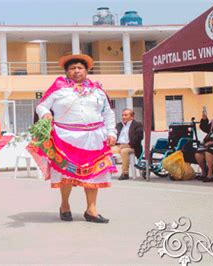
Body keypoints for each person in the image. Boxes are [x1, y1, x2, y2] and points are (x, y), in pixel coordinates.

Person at [27, 54, 117, 223]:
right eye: (72, 68)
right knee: (66, 173)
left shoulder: (97, 91)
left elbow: (108, 113)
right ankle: (65, 205)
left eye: (80, 68)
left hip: (94, 138)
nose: (76, 71)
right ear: (67, 72)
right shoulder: (58, 90)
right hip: (66, 138)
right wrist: (46, 114)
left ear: (87, 70)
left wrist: (112, 133)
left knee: (94, 175)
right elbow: (42, 105)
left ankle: (91, 210)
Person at [111, 108, 143, 180]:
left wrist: (128, 145)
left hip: (131, 147)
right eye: (122, 115)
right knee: (106, 151)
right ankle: (108, 171)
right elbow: (114, 135)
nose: (123, 117)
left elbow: (139, 137)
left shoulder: (137, 125)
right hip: (119, 145)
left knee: (124, 151)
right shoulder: (119, 125)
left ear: (132, 117)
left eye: (125, 115)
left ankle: (125, 173)